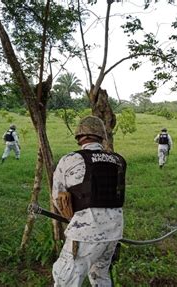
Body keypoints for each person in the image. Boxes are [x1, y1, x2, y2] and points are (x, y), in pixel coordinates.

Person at [52, 116, 127, 287]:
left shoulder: (69, 159)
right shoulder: (118, 160)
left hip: (86, 232)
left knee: (65, 279)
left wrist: (73, 218)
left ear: (80, 136)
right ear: (101, 137)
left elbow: (58, 198)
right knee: (100, 275)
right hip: (114, 231)